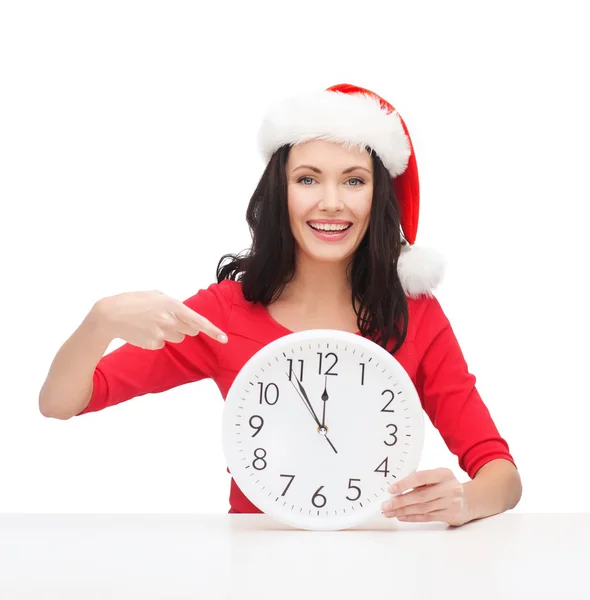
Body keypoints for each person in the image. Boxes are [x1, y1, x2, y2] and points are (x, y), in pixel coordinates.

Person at [39, 83, 522, 526]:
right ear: (280, 193)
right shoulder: (225, 313)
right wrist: (100, 320)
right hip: (253, 569)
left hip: (381, 567)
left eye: (354, 181)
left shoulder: (415, 314)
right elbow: (61, 402)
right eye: (308, 180)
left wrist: (466, 499)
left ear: (378, 197)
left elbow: (500, 472)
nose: (331, 202)